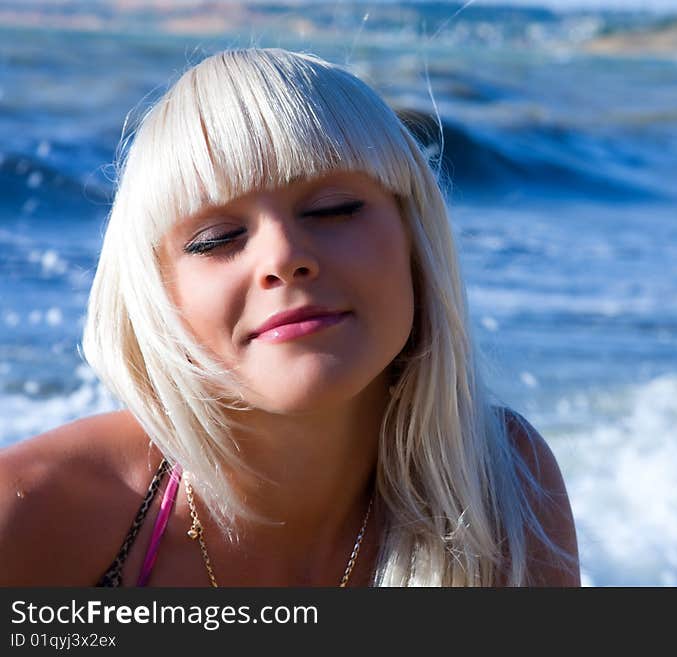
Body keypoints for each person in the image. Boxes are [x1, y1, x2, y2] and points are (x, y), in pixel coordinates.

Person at [0, 49, 579, 587]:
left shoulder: (500, 488)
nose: (282, 258)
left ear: (413, 238)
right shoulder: (35, 513)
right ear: (159, 295)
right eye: (217, 238)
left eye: (334, 209)